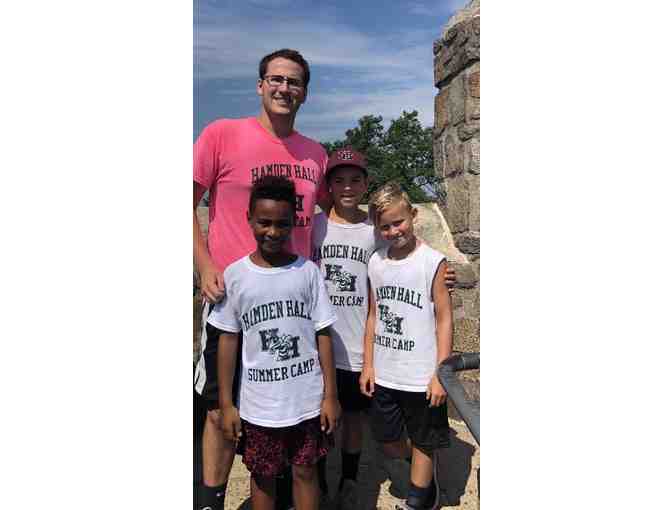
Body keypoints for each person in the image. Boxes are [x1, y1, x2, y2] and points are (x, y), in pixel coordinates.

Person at [193, 48, 330, 510]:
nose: (284, 88)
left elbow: (333, 216)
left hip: (293, 303)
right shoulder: (221, 135)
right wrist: (203, 264)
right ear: (260, 85)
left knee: (290, 406)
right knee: (220, 410)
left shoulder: (315, 154)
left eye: (294, 82)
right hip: (231, 297)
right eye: (276, 79)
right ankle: (210, 501)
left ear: (305, 93)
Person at [209, 176, 341, 510]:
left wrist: (330, 396)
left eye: (282, 224)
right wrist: (226, 403)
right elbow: (228, 339)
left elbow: (323, 334)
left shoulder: (308, 272)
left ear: (294, 222)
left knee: (306, 471)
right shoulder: (236, 275)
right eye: (264, 222)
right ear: (249, 219)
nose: (272, 231)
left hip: (307, 401)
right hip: (259, 406)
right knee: (262, 476)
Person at [361, 182, 453, 510]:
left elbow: (444, 318)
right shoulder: (375, 262)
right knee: (388, 440)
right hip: (386, 372)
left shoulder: (432, 261)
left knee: (425, 440)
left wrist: (441, 374)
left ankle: (418, 498)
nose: (393, 231)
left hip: (421, 374)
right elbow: (373, 315)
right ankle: (423, 474)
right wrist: (368, 365)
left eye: (398, 222)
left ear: (413, 215)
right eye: (384, 227)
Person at [310, 147, 378, 507]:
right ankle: (319, 482)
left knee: (353, 419)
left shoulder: (374, 230)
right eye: (339, 180)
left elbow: (407, 254)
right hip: (318, 345)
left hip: (355, 347)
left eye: (355, 180)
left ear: (366, 184)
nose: (347, 187)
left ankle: (348, 479)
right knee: (319, 419)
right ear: (328, 186)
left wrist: (441, 271)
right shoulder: (315, 226)